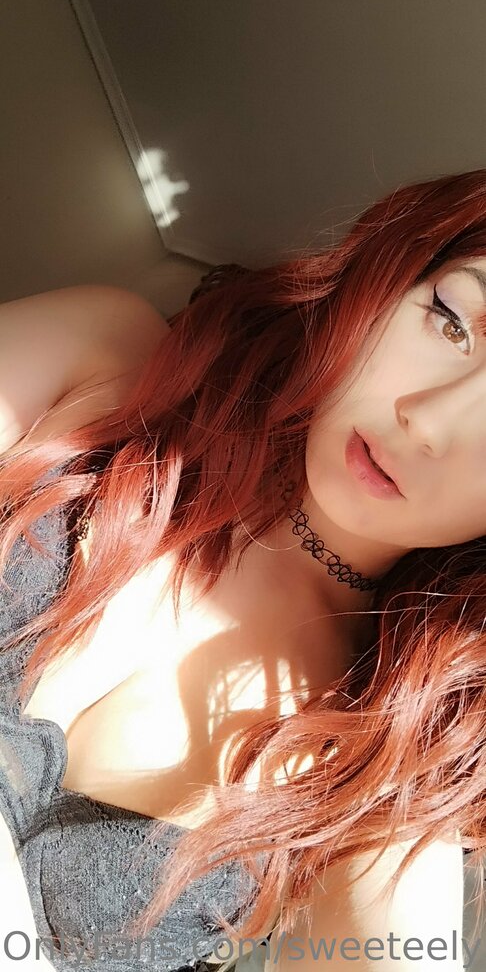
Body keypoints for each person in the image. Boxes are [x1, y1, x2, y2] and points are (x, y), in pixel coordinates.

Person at [0, 167, 484, 972]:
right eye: (450, 319)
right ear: (390, 275)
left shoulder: (381, 767)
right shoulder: (109, 360)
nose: (430, 423)